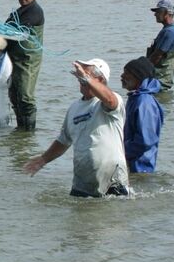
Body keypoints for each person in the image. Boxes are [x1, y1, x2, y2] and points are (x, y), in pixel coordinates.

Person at [24, 59, 130, 198]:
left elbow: (109, 100)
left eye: (85, 74)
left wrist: (87, 78)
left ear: (100, 79)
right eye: (80, 75)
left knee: (111, 216)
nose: (80, 77)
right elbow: (63, 141)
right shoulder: (74, 108)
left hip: (112, 176)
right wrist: (43, 159)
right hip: (83, 180)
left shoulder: (111, 100)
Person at [5, 0, 44, 131]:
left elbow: (17, 33)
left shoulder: (35, 11)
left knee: (25, 96)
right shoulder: (17, 12)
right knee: (14, 95)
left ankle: (28, 133)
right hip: (13, 59)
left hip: (28, 60)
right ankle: (20, 131)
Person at [121, 56, 164, 173]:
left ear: (138, 77)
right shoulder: (135, 98)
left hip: (140, 167)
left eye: (126, 73)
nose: (122, 76)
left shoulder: (144, 102)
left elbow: (145, 140)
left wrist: (121, 151)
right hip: (131, 163)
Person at [146, 0, 174, 91]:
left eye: (158, 12)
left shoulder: (170, 32)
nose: (155, 15)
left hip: (159, 81)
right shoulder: (168, 30)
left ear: (166, 13)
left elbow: (157, 56)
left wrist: (142, 70)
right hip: (158, 81)